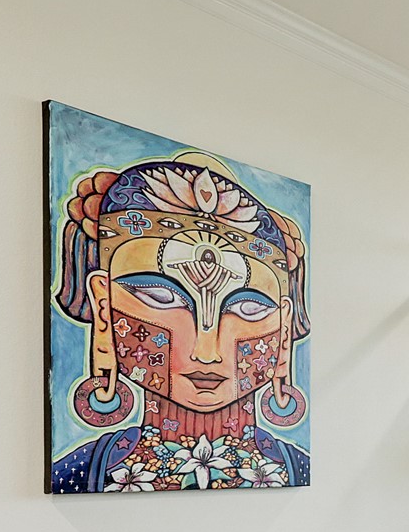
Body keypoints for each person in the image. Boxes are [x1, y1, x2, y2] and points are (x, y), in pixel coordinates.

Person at [49, 152, 310, 492]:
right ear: (104, 307)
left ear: (284, 328)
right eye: (161, 297)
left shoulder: (299, 471)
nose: (207, 352)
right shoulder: (78, 474)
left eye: (248, 308)